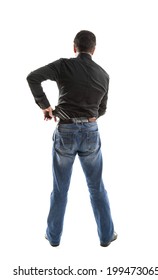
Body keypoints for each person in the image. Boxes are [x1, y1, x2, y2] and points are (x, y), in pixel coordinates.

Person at [27, 30, 117, 247]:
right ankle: (106, 237)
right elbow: (101, 110)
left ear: (74, 47)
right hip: (91, 132)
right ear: (93, 50)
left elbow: (33, 77)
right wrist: (87, 117)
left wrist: (46, 106)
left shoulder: (63, 65)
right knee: (96, 187)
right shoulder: (104, 75)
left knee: (60, 188)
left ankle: (54, 237)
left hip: (65, 131)